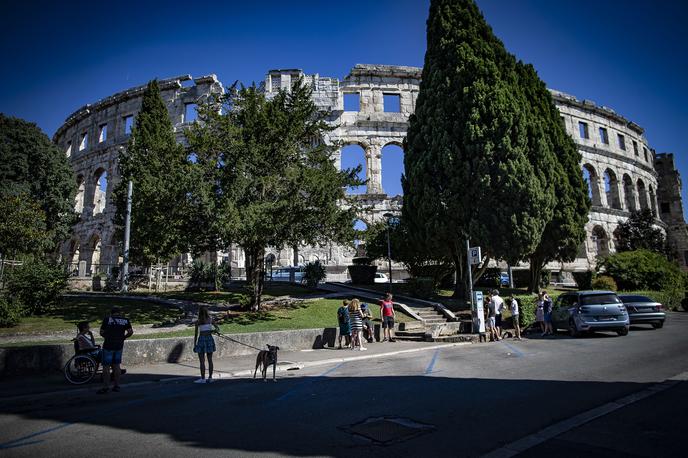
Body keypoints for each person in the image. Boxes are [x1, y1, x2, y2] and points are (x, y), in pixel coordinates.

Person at [97, 307, 133, 394]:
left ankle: (106, 387)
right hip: (119, 346)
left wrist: (107, 336)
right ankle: (116, 386)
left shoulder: (107, 319)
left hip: (108, 345)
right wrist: (123, 337)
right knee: (117, 366)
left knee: (106, 367)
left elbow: (101, 332)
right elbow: (130, 332)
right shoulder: (125, 320)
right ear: (119, 313)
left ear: (111, 313)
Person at [194, 306, 219, 383]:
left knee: (202, 361)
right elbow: (217, 329)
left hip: (201, 340)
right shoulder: (211, 320)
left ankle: (203, 379)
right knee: (210, 360)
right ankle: (210, 378)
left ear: (200, 313)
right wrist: (213, 331)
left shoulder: (198, 322)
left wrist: (195, 344)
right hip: (209, 340)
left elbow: (196, 334)